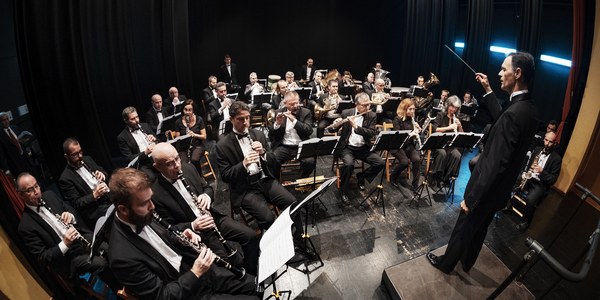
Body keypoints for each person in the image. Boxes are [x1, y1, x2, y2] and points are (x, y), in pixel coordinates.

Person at [427, 52, 538, 274]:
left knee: (464, 227)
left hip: (485, 189)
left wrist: (472, 198)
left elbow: (495, 162)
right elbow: (503, 121)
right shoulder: (528, 110)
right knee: (479, 230)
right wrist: (488, 89)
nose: (499, 73)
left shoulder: (514, 114)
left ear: (517, 73)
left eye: (503, 69)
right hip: (500, 191)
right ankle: (467, 263)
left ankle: (446, 264)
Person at [107, 168, 259, 299]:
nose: (152, 207)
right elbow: (162, 296)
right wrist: (195, 272)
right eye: (144, 203)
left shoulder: (142, 214)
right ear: (123, 209)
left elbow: (166, 238)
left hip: (203, 275)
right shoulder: (122, 257)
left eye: (151, 199)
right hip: (188, 293)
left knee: (258, 285)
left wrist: (181, 237)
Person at [151, 142, 260, 275]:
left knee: (250, 236)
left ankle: (251, 274)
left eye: (177, 158)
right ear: (157, 167)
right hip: (197, 235)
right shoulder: (155, 194)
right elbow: (169, 229)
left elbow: (207, 187)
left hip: (212, 219)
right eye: (169, 163)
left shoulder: (188, 168)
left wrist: (207, 196)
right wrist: (192, 225)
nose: (177, 165)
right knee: (224, 263)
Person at [215, 102, 307, 249]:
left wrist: (263, 153)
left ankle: (299, 241)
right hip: (245, 189)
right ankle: (275, 248)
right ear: (231, 119)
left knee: (293, 203)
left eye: (247, 118)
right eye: (240, 119)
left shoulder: (258, 134)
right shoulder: (222, 145)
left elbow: (273, 160)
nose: (245, 122)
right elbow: (226, 176)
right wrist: (243, 164)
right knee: (267, 217)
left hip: (265, 180)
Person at [17, 173, 118, 292]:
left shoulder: (49, 195)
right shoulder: (25, 226)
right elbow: (43, 258)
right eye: (30, 190)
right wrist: (65, 244)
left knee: (109, 248)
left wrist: (70, 216)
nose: (37, 192)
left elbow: (71, 209)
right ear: (20, 195)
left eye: (36, 186)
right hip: (68, 258)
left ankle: (128, 279)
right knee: (101, 263)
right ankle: (120, 291)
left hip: (80, 238)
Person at [328, 93, 384, 203]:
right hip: (347, 147)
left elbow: (371, 133)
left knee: (380, 163)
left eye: (368, 105)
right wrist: (336, 124)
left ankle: (361, 176)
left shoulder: (371, 115)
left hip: (363, 148)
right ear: (356, 104)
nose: (367, 108)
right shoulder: (346, 113)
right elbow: (331, 130)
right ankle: (343, 191)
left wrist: (356, 126)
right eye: (364, 105)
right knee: (349, 165)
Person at [58, 138, 111, 229]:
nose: (80, 156)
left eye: (80, 151)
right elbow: (77, 203)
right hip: (95, 208)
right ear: (66, 156)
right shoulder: (65, 178)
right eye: (75, 154)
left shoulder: (87, 159)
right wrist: (94, 195)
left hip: (108, 196)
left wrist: (103, 175)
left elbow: (103, 171)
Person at [514, 131, 562, 231]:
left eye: (550, 142)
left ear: (554, 143)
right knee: (512, 180)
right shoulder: (537, 150)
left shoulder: (557, 159)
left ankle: (525, 222)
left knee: (531, 199)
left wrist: (542, 171)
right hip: (529, 177)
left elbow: (553, 179)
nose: (547, 144)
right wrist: (524, 172)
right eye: (546, 140)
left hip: (540, 184)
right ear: (544, 139)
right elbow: (528, 164)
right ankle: (508, 205)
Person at [268, 91, 315, 178]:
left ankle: (303, 179)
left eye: (297, 103)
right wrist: (277, 124)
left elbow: (309, 131)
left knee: (310, 161)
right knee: (273, 160)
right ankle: (276, 181)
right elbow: (271, 135)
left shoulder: (306, 112)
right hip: (284, 146)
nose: (295, 106)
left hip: (301, 145)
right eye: (291, 104)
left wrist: (294, 120)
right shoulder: (278, 112)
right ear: (285, 103)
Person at [430, 95, 463, 188]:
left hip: (450, 144)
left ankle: (446, 177)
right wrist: (448, 128)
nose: (453, 110)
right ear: (448, 105)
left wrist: (460, 126)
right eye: (452, 107)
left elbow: (461, 134)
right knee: (442, 153)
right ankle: (435, 176)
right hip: (439, 143)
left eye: (455, 108)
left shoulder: (456, 118)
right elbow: (434, 129)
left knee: (457, 155)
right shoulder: (441, 115)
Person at [390, 99, 422, 191]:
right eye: (410, 109)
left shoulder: (413, 119)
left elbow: (416, 134)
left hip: (409, 146)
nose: (412, 111)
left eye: (413, 109)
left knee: (417, 160)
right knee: (404, 162)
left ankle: (415, 185)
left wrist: (419, 130)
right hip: (397, 145)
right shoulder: (397, 119)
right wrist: (411, 134)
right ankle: (393, 176)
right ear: (404, 109)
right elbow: (398, 136)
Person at [116, 106, 157, 176]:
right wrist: (145, 153)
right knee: (152, 177)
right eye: (133, 119)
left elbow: (158, 140)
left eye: (137, 117)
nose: (137, 120)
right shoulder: (122, 137)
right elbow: (128, 158)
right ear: (126, 120)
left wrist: (154, 139)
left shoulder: (145, 126)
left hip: (155, 156)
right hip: (142, 164)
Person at [171, 100, 208, 173]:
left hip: (197, 145)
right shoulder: (178, 122)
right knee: (184, 165)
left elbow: (204, 137)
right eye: (185, 110)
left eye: (190, 110)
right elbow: (177, 139)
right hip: (184, 148)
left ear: (193, 110)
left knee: (194, 160)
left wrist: (194, 135)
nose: (187, 112)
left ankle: (200, 178)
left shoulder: (199, 119)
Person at [0, 112, 33, 177]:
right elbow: (1, 153)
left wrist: (28, 149)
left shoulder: (15, 128)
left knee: (34, 176)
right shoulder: (0, 136)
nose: (6, 121)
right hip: (15, 164)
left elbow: (24, 141)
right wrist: (6, 169)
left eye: (7, 119)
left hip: (26, 157)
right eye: (4, 120)